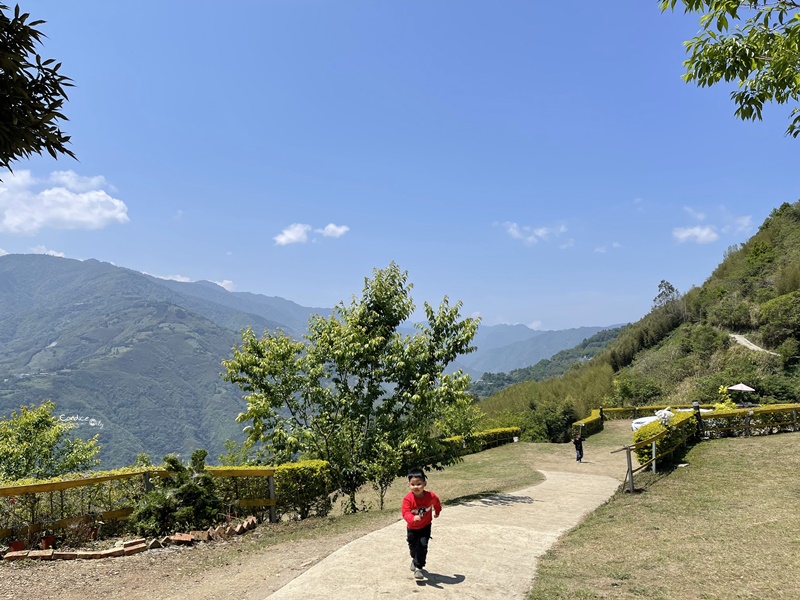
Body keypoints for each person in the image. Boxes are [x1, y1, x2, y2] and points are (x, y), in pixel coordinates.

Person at [401, 467, 442, 580]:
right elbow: (405, 512)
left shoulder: (430, 496)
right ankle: (414, 559)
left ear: (424, 483)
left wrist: (437, 512)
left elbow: (437, 503)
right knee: (413, 547)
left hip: (425, 526)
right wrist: (412, 518)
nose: (416, 487)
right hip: (412, 528)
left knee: (423, 546)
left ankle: (419, 568)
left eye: (419, 484)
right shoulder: (408, 499)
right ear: (409, 484)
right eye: (413, 484)